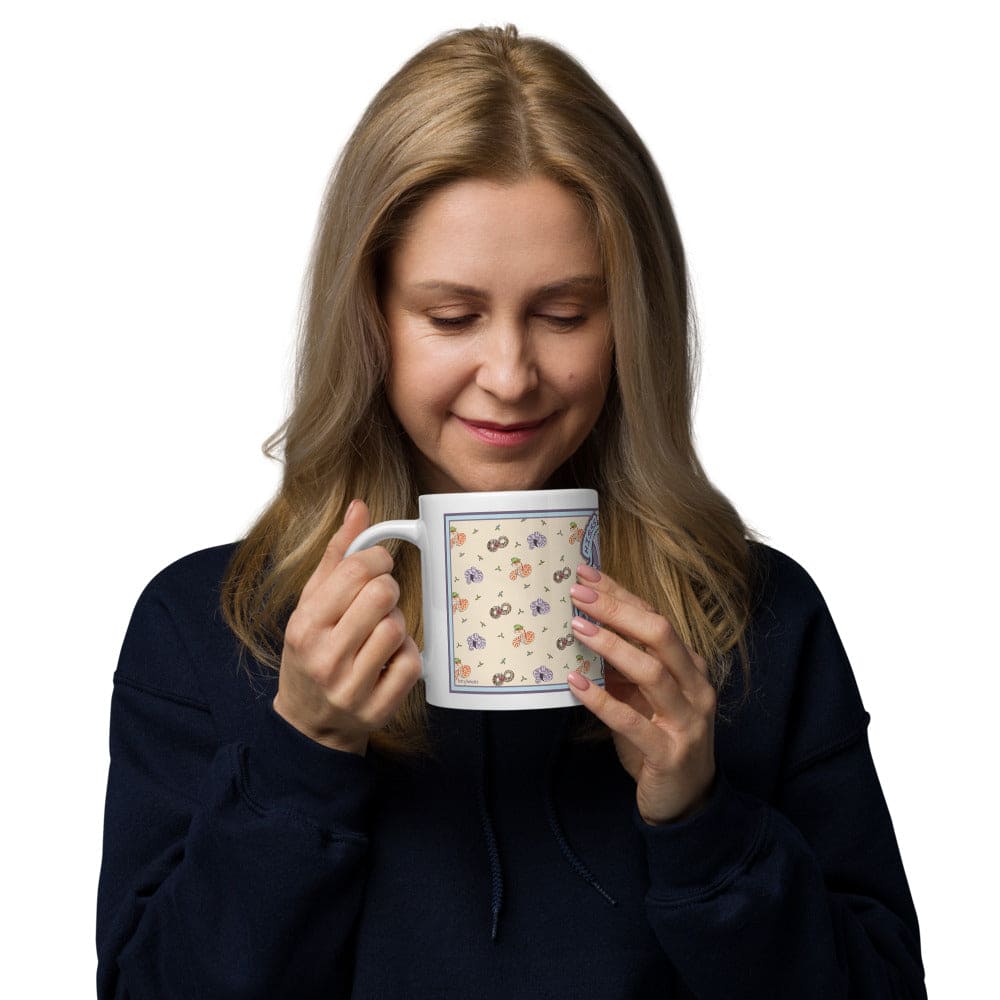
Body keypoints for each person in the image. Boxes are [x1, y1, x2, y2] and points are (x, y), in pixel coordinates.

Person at [96, 24, 925, 999]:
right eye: (451, 317)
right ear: (368, 320)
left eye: (565, 312)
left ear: (633, 321)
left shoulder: (762, 622)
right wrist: (300, 758)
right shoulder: (207, 628)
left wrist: (703, 816)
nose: (510, 375)